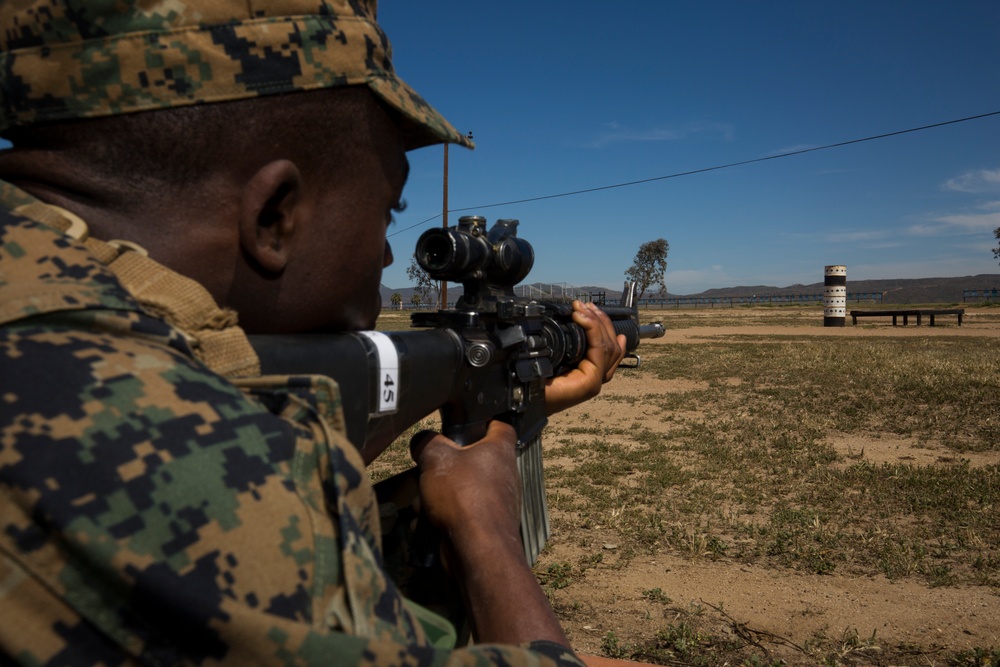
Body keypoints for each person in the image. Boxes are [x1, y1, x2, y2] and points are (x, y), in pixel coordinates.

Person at [0, 1, 633, 665]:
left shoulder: (53, 297)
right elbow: (255, 498)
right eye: (389, 212)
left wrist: (501, 410)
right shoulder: (146, 437)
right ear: (276, 216)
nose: (390, 257)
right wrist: (486, 524)